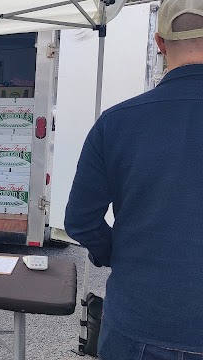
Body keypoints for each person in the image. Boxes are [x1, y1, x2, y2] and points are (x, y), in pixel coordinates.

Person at [65, 1, 203, 358]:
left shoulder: (116, 123)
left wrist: (117, 253)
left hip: (139, 322)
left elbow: (80, 221)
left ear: (159, 43)